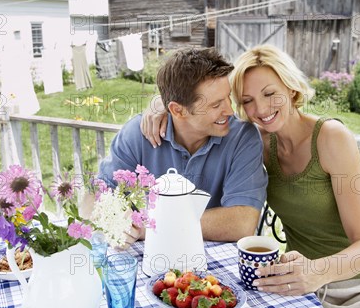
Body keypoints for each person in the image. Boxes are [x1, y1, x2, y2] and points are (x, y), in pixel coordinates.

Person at [142, 45, 360, 308]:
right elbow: (197, 106)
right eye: (247, 100)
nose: (260, 109)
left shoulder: (331, 138)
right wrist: (162, 105)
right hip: (302, 290)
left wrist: (316, 272)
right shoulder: (258, 143)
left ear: (292, 88)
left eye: (270, 94)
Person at [98, 47, 268, 248]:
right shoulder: (137, 134)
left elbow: (242, 223)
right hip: (147, 260)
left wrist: (152, 225)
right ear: (178, 110)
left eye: (227, 97)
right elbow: (97, 195)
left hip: (212, 271)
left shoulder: (242, 138)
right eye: (216, 105)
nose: (230, 111)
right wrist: (116, 221)